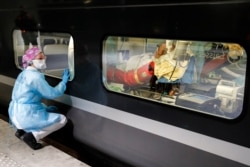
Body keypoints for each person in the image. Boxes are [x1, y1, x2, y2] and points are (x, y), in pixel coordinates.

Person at [8, 47, 70, 150]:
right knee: (62, 120)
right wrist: (63, 83)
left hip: (15, 113)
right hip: (25, 115)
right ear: (31, 61)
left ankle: (21, 131)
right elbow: (52, 93)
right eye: (40, 57)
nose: (44, 58)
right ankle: (32, 136)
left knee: (45, 108)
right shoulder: (35, 77)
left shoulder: (24, 73)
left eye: (44, 56)